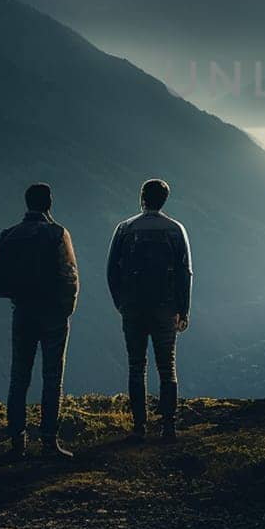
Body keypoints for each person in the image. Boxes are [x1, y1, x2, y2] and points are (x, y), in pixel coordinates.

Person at [0, 182, 79, 459]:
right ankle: (49, 441)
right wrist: (67, 308)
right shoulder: (57, 233)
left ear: (27, 203)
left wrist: (17, 296)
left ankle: (17, 440)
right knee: (52, 378)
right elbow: (70, 275)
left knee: (19, 377)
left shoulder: (9, 235)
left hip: (23, 312)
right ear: (49, 203)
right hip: (53, 313)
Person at [107, 178, 192, 441]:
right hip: (166, 308)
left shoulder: (125, 229)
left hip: (133, 307)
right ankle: (168, 425)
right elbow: (185, 273)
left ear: (142, 197)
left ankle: (139, 426)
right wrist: (183, 309)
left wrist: (120, 302)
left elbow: (112, 270)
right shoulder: (176, 229)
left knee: (136, 366)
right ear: (164, 200)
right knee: (167, 367)